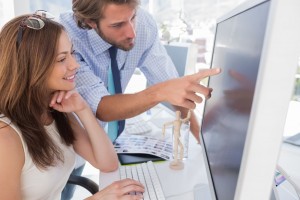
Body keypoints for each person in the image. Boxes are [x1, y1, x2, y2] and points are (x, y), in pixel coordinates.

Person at [0, 11, 145, 200]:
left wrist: (82, 109)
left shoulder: (55, 110)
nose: (74, 65)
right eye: (62, 59)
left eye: (72, 53)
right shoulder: (5, 138)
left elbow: (108, 163)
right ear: (31, 68)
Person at [59, 0, 221, 143]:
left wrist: (200, 139)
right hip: (66, 139)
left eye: (133, 17)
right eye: (117, 25)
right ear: (90, 22)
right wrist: (159, 92)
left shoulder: (144, 25)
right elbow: (99, 107)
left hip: (99, 143)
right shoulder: (65, 39)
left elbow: (172, 85)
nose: (132, 33)